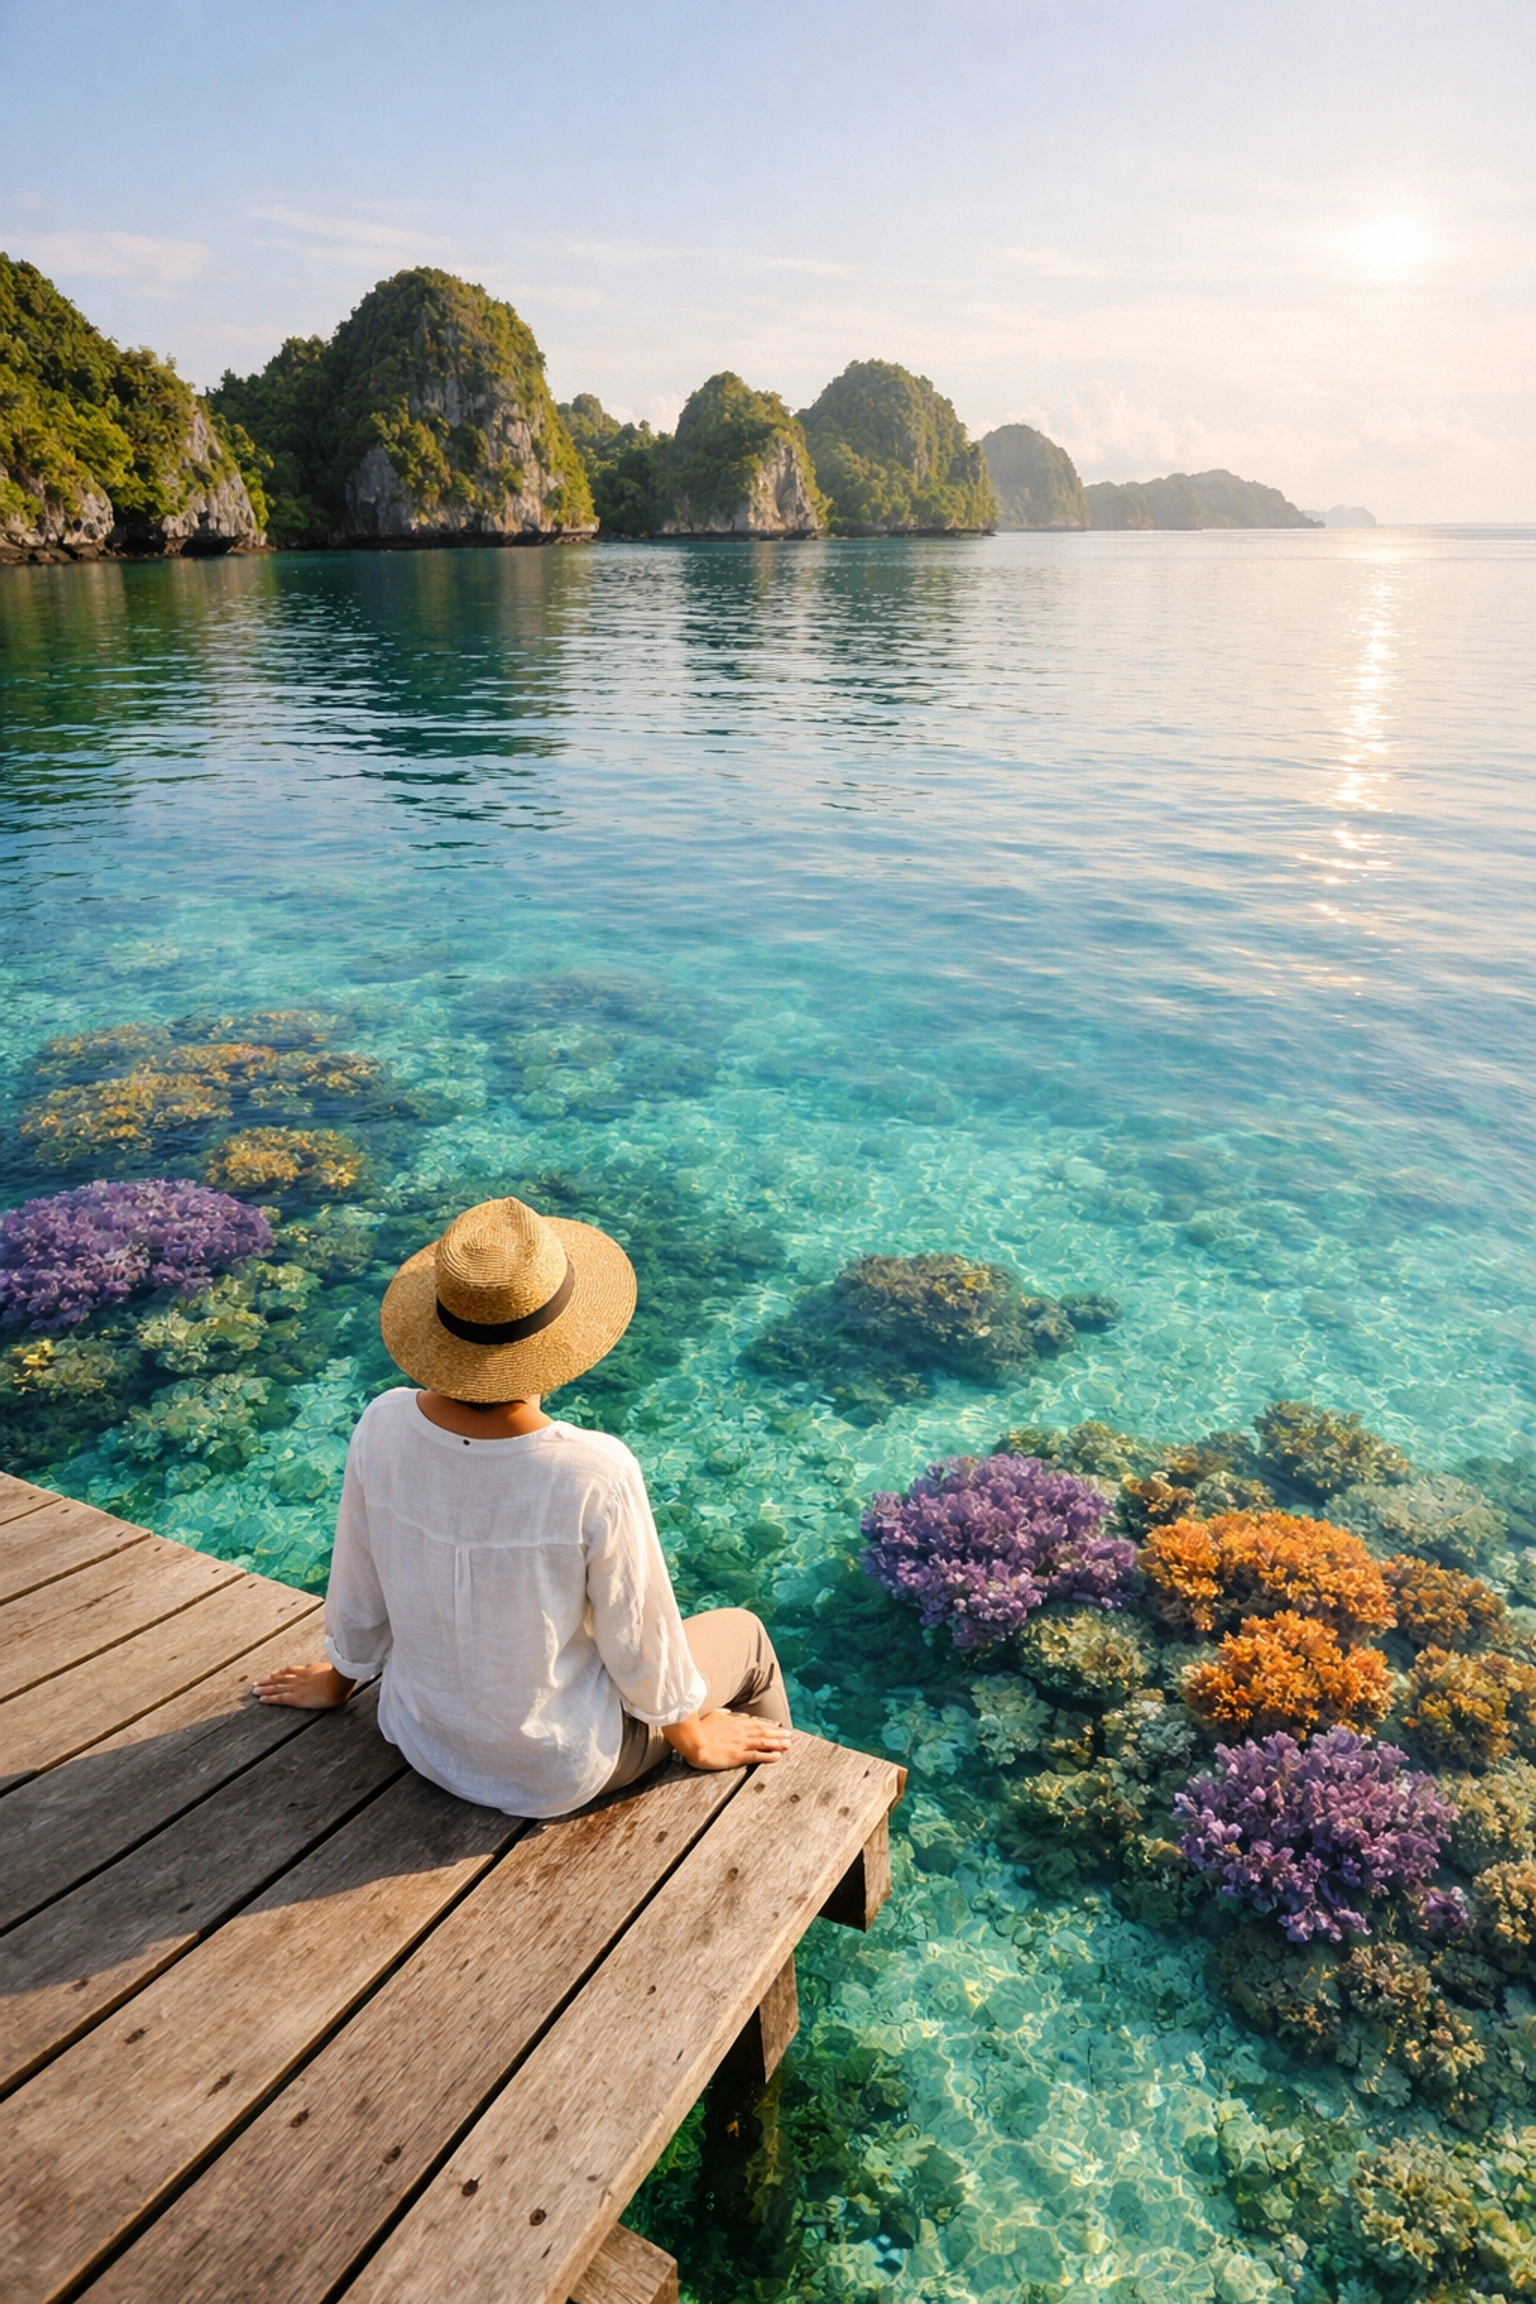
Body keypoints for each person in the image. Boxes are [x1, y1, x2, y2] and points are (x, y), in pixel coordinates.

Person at [252, 1193, 792, 1816]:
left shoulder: (382, 1424)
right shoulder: (595, 1469)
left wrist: (337, 1678)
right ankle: (780, 1817)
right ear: (559, 1342)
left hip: (422, 1738)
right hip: (556, 1769)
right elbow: (641, 1643)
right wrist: (694, 1739)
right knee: (747, 1638)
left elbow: (358, 1584)